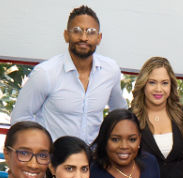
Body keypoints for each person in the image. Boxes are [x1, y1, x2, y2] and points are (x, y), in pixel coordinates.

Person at [9, 5, 127, 144]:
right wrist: (42, 150)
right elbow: (20, 117)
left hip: (93, 159)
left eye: (91, 32)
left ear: (99, 38)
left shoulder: (110, 70)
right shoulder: (45, 73)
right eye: (77, 31)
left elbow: (120, 114)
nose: (84, 37)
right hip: (55, 159)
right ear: (66, 35)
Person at [132, 56, 183, 165]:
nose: (158, 89)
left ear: (171, 85)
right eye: (152, 82)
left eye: (164, 83)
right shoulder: (131, 118)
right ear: (143, 84)